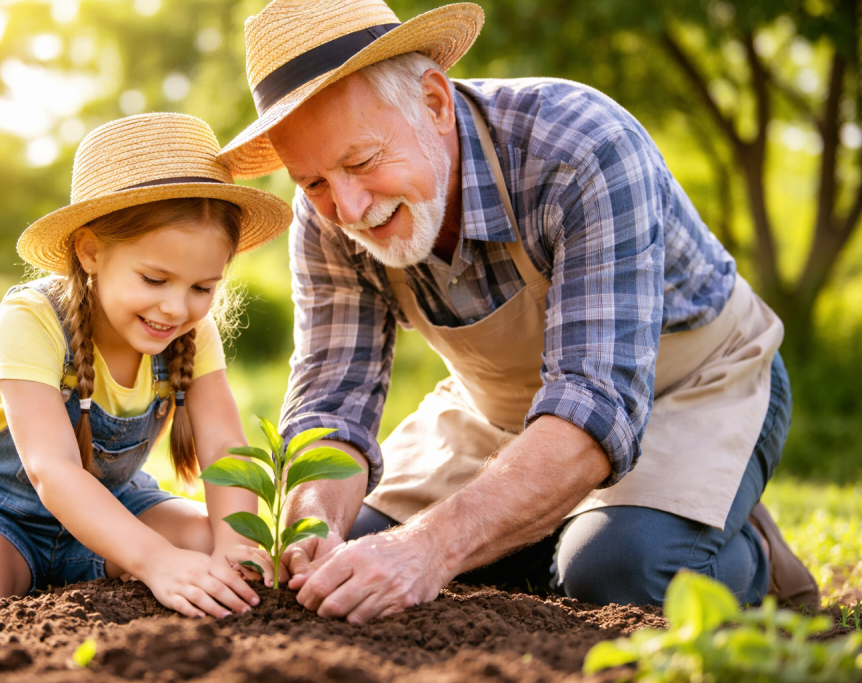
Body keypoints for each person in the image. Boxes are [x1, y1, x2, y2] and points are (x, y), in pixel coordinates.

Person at [217, 0, 820, 622]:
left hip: (693, 385)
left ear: (433, 102)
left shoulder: (579, 146)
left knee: (614, 566)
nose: (345, 207)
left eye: (362, 162)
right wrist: (317, 523)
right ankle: (577, 527)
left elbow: (596, 401)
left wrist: (427, 547)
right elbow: (332, 406)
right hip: (501, 412)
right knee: (359, 548)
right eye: (312, 182)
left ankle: (735, 542)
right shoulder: (325, 219)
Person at [0, 114, 293, 619]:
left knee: (211, 540)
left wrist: (234, 549)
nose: (175, 308)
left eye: (201, 288)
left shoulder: (190, 334)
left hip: (108, 505)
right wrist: (153, 559)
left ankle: (128, 560)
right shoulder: (31, 319)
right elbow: (52, 469)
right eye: (154, 279)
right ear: (90, 252)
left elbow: (223, 446)